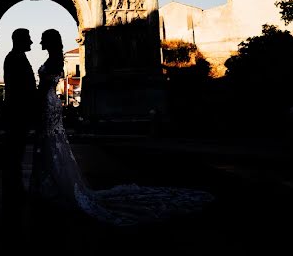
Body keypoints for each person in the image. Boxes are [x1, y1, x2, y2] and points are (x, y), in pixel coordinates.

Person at [29, 28, 214, 226]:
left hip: (48, 103)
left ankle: (51, 184)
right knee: (51, 143)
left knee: (50, 142)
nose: (40, 41)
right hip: (49, 103)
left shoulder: (55, 61)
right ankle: (52, 183)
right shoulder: (56, 59)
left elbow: (45, 85)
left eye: (43, 39)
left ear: (50, 41)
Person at [2, 28, 37, 204]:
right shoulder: (14, 58)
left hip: (18, 110)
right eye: (28, 39)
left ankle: (13, 185)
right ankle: (12, 186)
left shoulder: (16, 57)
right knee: (15, 149)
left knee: (17, 149)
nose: (31, 42)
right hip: (17, 110)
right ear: (20, 40)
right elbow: (18, 88)